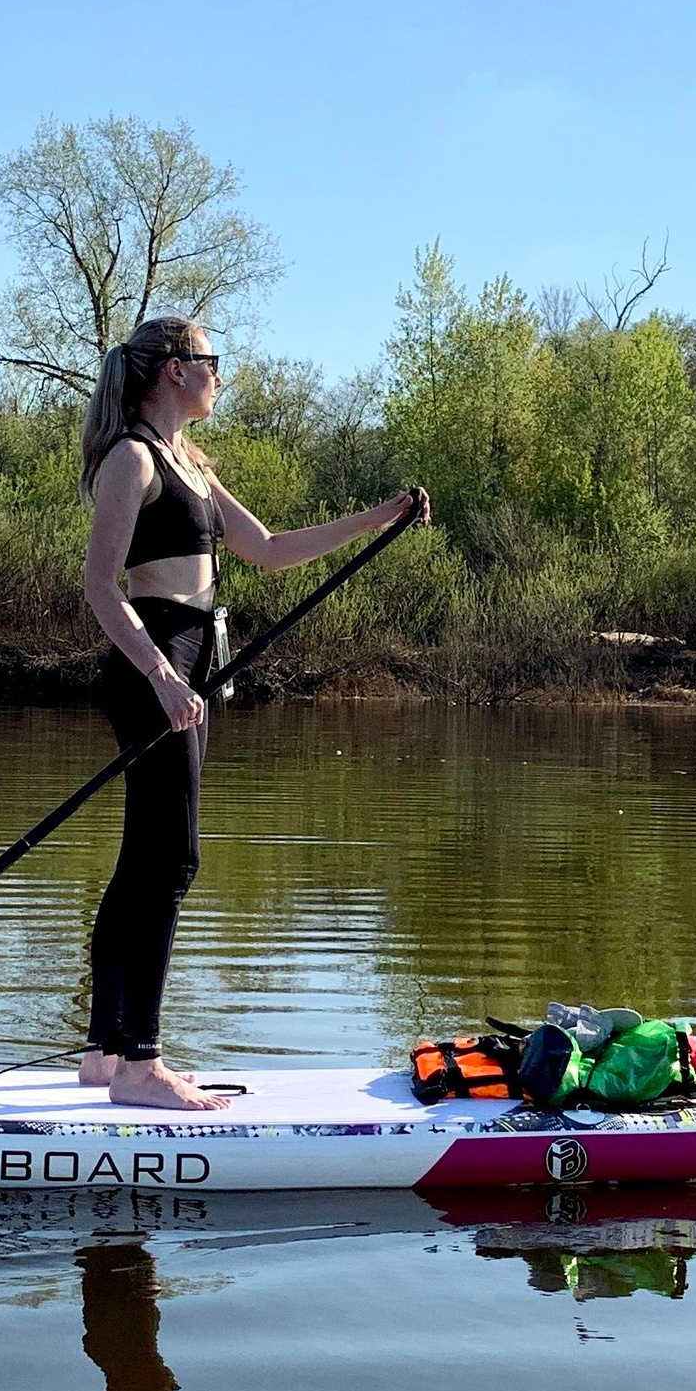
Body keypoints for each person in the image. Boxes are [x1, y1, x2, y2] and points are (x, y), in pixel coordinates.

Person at [78, 315, 426, 1110]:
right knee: (172, 860)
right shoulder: (133, 458)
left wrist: (380, 515)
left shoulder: (190, 464)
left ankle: (104, 1052)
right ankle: (140, 1067)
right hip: (153, 663)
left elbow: (268, 548)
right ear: (173, 369)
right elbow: (101, 585)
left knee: (144, 860)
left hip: (186, 663)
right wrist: (164, 676)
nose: (220, 373)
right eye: (212, 359)